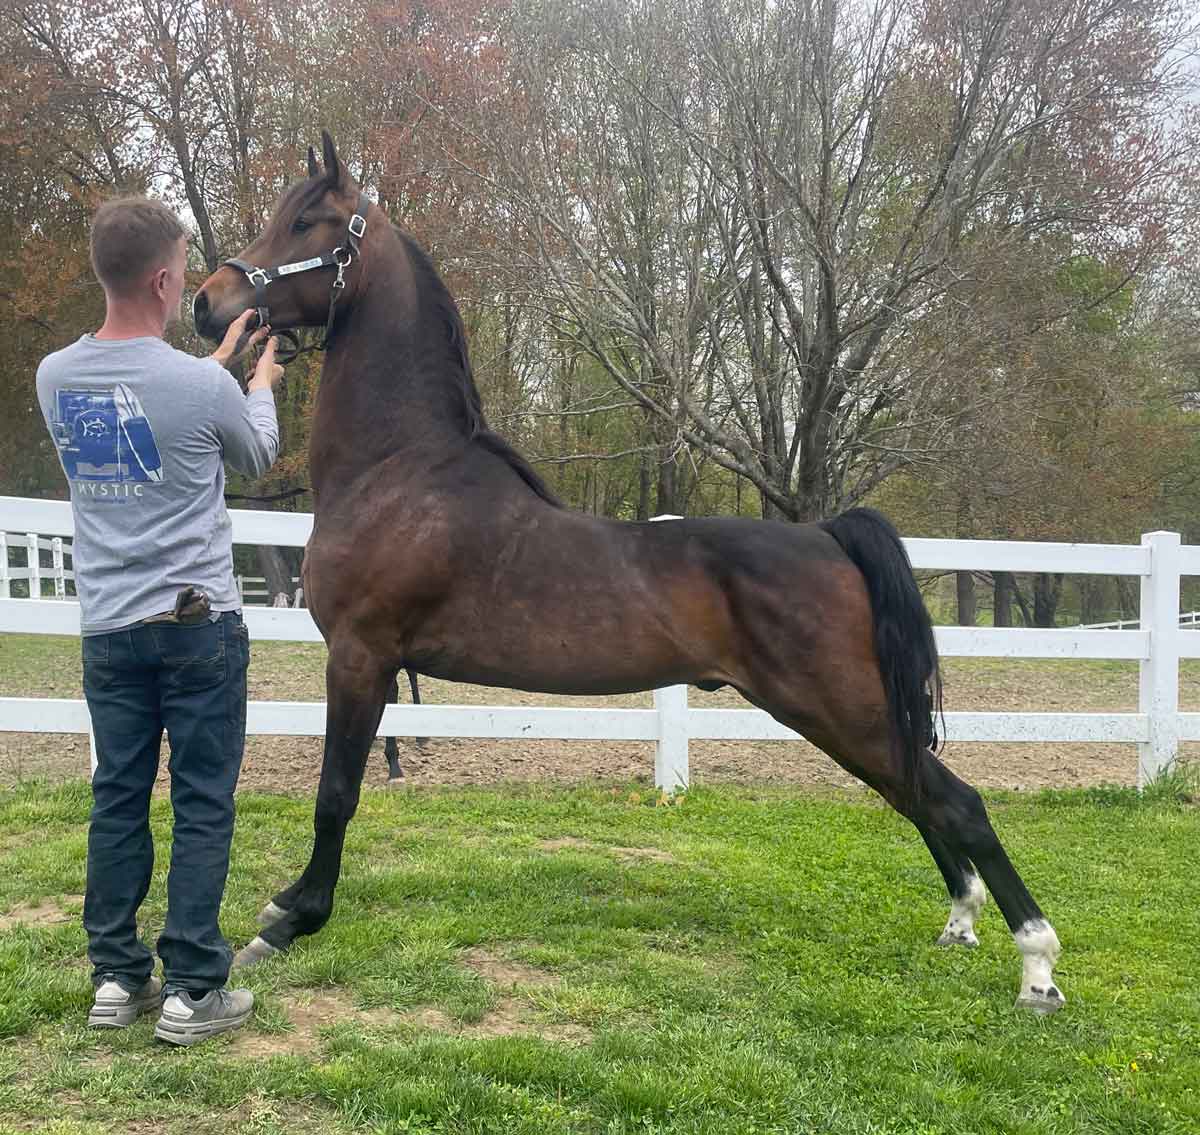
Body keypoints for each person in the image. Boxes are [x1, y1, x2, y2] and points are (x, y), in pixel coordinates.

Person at [35, 196, 284, 1046]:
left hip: (109, 629)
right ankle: (193, 990)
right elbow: (254, 453)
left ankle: (116, 976)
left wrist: (215, 364)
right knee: (203, 799)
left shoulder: (54, 377)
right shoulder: (203, 386)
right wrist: (256, 387)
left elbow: (136, 408)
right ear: (163, 280)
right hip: (195, 625)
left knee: (119, 797)